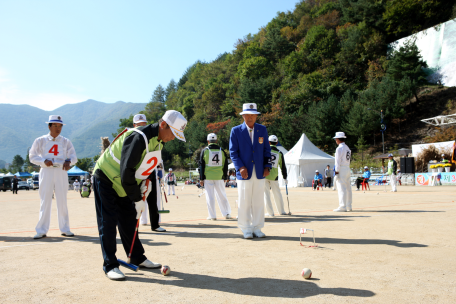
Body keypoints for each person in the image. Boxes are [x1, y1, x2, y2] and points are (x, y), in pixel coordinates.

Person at [92, 110, 187, 280]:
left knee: (129, 220)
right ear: (163, 124)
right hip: (106, 177)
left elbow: (146, 167)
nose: (173, 138)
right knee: (108, 221)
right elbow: (127, 171)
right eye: (173, 133)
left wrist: (145, 186)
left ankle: (137, 257)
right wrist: (136, 198)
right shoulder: (139, 137)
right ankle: (110, 265)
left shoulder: (159, 142)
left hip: (124, 183)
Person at [29, 115, 77, 239]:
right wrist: (43, 160)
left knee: (62, 200)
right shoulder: (40, 140)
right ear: (49, 126)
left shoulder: (66, 141)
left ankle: (65, 229)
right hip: (46, 171)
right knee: (45, 200)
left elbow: (74, 157)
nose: (58, 128)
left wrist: (68, 161)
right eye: (55, 125)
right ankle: (41, 230)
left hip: (61, 171)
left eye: (60, 126)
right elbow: (32, 156)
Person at [229, 103, 272, 239]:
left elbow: (267, 150)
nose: (250, 117)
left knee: (259, 200)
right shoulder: (236, 131)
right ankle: (246, 228)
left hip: (259, 170)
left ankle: (257, 227)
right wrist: (240, 167)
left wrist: (267, 166)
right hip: (244, 171)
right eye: (247, 115)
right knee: (244, 200)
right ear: (243, 116)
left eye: (253, 115)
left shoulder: (262, 130)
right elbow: (233, 152)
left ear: (256, 116)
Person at [133, 114, 166, 232]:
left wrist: (160, 174)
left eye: (144, 124)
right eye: (139, 125)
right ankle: (138, 223)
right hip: (136, 173)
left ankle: (155, 224)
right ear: (134, 125)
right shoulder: (132, 138)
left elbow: (158, 158)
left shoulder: (152, 138)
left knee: (153, 199)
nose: (142, 126)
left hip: (150, 171)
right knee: (136, 198)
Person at [199, 133, 232, 220]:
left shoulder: (205, 151)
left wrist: (201, 178)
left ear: (208, 141)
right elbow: (225, 165)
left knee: (210, 197)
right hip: (219, 176)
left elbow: (201, 165)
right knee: (222, 195)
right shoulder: (222, 151)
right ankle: (227, 213)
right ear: (217, 141)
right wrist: (225, 176)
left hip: (208, 177)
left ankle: (212, 216)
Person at [263, 135, 287, 216]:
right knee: (277, 194)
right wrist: (285, 177)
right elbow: (283, 167)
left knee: (266, 194)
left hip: (264, 175)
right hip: (274, 176)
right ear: (276, 143)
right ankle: (282, 211)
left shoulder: (264, 150)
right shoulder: (280, 153)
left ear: (268, 142)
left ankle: (270, 213)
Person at [333, 132, 352, 212]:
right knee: (348, 188)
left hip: (342, 169)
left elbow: (337, 161)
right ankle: (349, 206)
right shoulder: (347, 148)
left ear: (338, 139)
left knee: (341, 188)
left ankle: (342, 206)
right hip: (347, 168)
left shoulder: (339, 148)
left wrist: (336, 172)